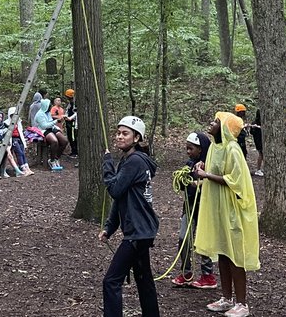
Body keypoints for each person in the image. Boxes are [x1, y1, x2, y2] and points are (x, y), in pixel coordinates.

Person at [194, 111, 259, 317]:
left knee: (235, 256)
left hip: (233, 211)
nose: (211, 123)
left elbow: (236, 180)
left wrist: (207, 175)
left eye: (216, 121)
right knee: (222, 253)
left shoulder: (233, 149)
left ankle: (242, 303)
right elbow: (212, 171)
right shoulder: (214, 147)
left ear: (225, 128)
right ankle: (226, 298)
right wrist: (202, 167)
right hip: (218, 210)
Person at [100, 115, 161, 317]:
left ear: (136, 138)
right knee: (144, 279)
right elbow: (121, 199)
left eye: (125, 133)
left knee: (111, 281)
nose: (119, 137)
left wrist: (107, 165)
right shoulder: (130, 161)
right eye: (118, 133)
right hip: (142, 230)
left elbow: (115, 190)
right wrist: (110, 228)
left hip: (138, 231)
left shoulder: (134, 161)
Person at [172, 131, 217, 289]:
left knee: (204, 240)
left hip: (205, 208)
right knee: (183, 238)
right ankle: (186, 272)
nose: (188, 152)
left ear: (201, 148)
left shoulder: (210, 165)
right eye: (187, 148)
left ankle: (208, 275)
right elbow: (182, 184)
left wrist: (196, 183)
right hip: (189, 207)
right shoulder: (189, 164)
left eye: (191, 148)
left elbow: (210, 183)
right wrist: (183, 181)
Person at [32, 97, 67, 170]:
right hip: (43, 130)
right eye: (49, 106)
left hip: (51, 128)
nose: (50, 107)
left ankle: (56, 157)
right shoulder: (40, 114)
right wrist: (56, 121)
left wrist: (57, 128)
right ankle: (52, 160)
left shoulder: (48, 113)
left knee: (64, 141)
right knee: (54, 141)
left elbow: (51, 122)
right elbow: (44, 126)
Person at [64, 88, 79, 156]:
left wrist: (70, 118)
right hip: (68, 122)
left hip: (73, 122)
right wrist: (66, 116)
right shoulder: (70, 103)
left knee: (73, 137)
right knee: (70, 137)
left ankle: (75, 152)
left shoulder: (76, 103)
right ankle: (73, 150)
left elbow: (76, 113)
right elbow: (68, 111)